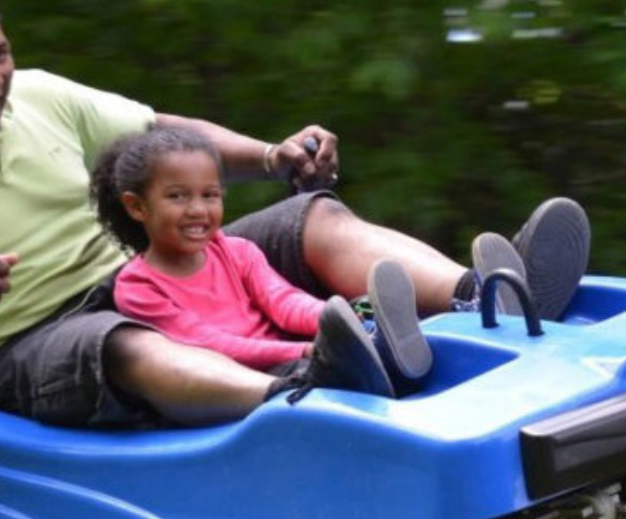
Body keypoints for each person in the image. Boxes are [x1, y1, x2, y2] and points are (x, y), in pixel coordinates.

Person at [0, 0, 590, 427]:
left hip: (145, 270)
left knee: (308, 219)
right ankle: (306, 387)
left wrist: (272, 157)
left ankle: (483, 293)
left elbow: (162, 133)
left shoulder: (39, 97)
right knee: (119, 341)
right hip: (28, 344)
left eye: (0, 54)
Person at [89, 124, 417, 400]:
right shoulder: (137, 287)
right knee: (312, 371)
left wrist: (331, 316)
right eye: (177, 196)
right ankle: (363, 364)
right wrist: (303, 351)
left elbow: (284, 302)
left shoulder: (237, 251)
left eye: (210, 195)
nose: (198, 210)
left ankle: (381, 336)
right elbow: (209, 345)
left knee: (353, 313)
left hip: (295, 353)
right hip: (244, 378)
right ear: (136, 207)